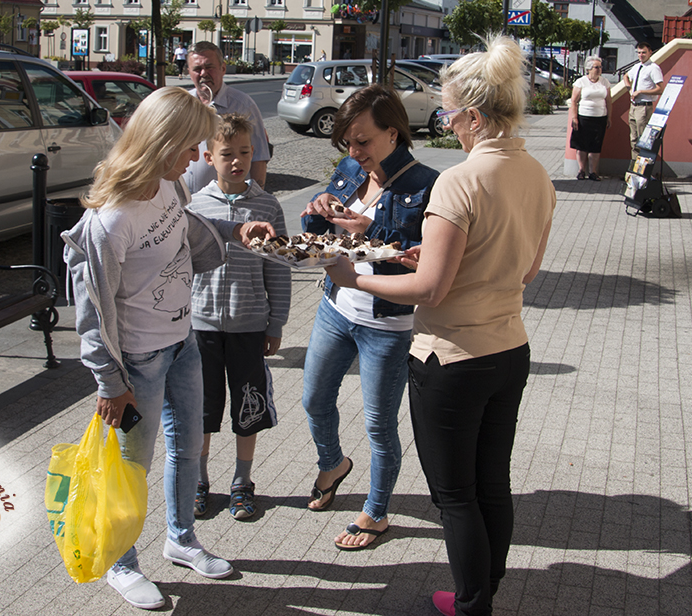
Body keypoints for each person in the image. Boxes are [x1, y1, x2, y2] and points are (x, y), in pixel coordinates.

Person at [327, 35, 555, 616]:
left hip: (450, 358)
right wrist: (422, 262)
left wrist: (354, 278)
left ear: (475, 116)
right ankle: (486, 589)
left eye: (451, 112)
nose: (446, 123)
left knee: (455, 497)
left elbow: (430, 289)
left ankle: (472, 603)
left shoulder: (458, 180)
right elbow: (523, 271)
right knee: (492, 485)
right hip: (508, 349)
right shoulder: (537, 175)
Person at [62, 87, 276, 611]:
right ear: (164, 142)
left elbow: (189, 229)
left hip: (183, 344)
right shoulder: (110, 218)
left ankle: (181, 540)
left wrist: (236, 228)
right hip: (138, 363)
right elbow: (90, 311)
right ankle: (121, 564)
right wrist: (111, 384)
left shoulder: (167, 185)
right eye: (189, 148)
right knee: (130, 466)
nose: (194, 160)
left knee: (187, 448)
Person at [298, 85, 440, 550]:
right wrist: (315, 212)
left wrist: (372, 230)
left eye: (362, 141)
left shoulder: (427, 185)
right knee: (315, 400)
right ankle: (334, 463)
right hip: (336, 307)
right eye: (348, 143)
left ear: (393, 134)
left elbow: (427, 259)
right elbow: (319, 233)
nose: (353, 151)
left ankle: (376, 512)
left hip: (388, 324)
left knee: (379, 425)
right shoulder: (348, 170)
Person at [189, 113, 291, 522]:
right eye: (227, 154)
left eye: (245, 153)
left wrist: (276, 322)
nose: (237, 161)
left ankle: (242, 481)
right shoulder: (195, 206)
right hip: (201, 326)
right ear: (208, 157)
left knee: (247, 406)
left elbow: (278, 267)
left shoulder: (267, 205)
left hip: (250, 324)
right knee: (202, 408)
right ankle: (198, 480)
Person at [182, 41, 271, 193]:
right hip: (185, 203)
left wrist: (256, 196)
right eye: (197, 69)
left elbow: (259, 156)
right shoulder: (183, 104)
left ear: (222, 68)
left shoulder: (243, 105)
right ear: (189, 72)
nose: (203, 73)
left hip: (227, 204)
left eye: (209, 67)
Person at [569, 56, 611, 180]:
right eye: (596, 67)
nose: (599, 69)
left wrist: (609, 117)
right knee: (582, 145)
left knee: (596, 145)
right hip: (584, 118)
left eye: (600, 67)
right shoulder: (581, 82)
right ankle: (582, 170)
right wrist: (574, 117)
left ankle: (593, 172)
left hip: (600, 117)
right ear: (588, 69)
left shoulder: (604, 82)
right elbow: (574, 101)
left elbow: (609, 100)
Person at [622, 42, 664, 159]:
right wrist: (630, 89)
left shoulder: (653, 68)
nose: (641, 55)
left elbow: (660, 89)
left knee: (643, 139)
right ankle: (634, 168)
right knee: (634, 139)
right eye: (639, 53)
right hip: (634, 106)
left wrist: (641, 91)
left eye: (644, 52)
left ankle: (643, 170)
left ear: (650, 53)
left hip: (644, 106)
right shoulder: (637, 67)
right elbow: (626, 76)